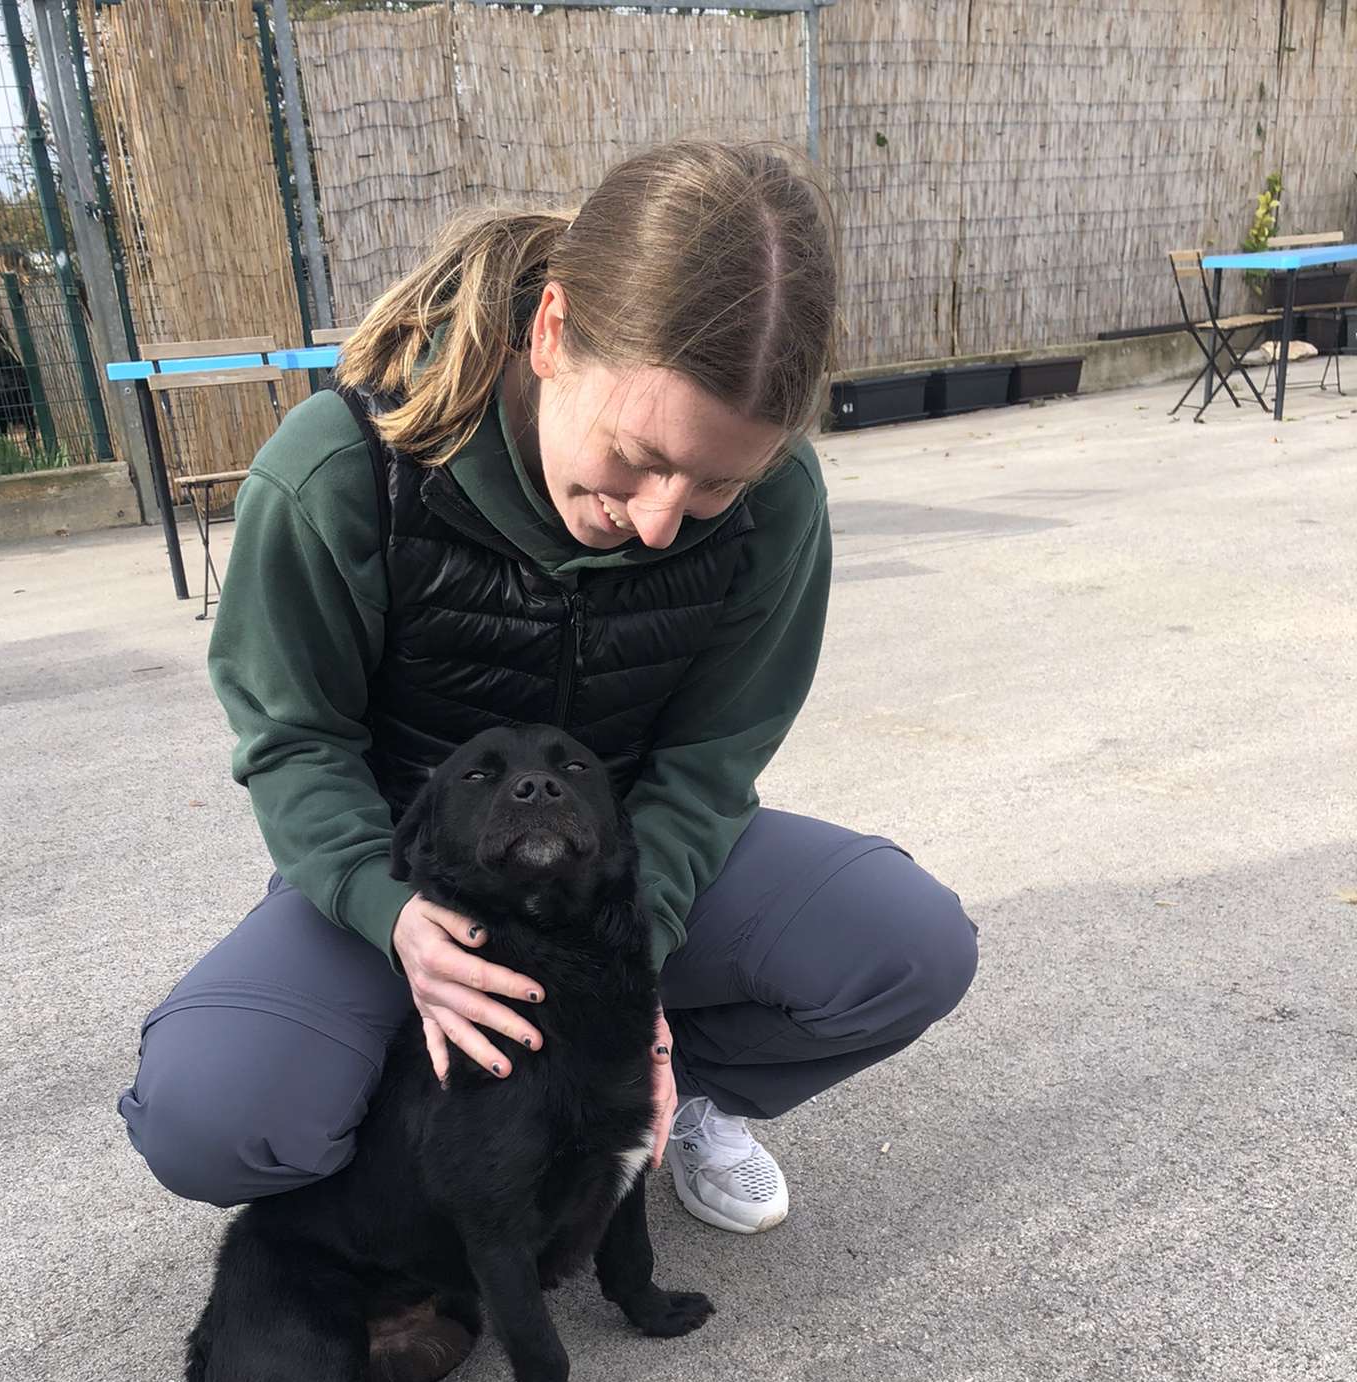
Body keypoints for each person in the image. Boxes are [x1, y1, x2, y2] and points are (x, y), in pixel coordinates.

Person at [118, 140, 978, 1236]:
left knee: (908, 947)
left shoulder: (781, 505)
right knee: (214, 1116)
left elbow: (710, 765)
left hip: (623, 868)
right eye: (636, 456)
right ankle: (430, 1120)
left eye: (717, 482)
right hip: (407, 869)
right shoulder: (345, 467)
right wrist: (391, 917)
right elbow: (295, 745)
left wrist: (634, 975)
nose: (661, 518)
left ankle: (681, 1100)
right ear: (553, 331)